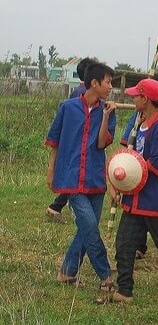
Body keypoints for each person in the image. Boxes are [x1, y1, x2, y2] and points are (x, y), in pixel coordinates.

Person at [100, 79, 158, 303]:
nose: (132, 98)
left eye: (136, 95)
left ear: (145, 99)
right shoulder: (140, 123)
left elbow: (157, 166)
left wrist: (127, 170)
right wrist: (122, 181)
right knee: (124, 244)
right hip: (135, 198)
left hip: (155, 199)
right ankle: (125, 291)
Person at [45, 62, 116, 292]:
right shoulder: (67, 108)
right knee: (90, 227)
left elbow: (100, 143)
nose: (111, 87)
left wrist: (105, 118)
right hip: (72, 179)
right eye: (108, 82)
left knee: (87, 229)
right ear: (94, 83)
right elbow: (54, 142)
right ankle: (106, 276)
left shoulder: (108, 111)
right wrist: (51, 170)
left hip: (95, 179)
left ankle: (66, 272)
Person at [45, 56, 97, 224]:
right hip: (76, 147)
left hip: (75, 148)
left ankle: (57, 207)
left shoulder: (78, 91)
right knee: (75, 178)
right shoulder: (82, 95)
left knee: (74, 177)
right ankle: (61, 208)